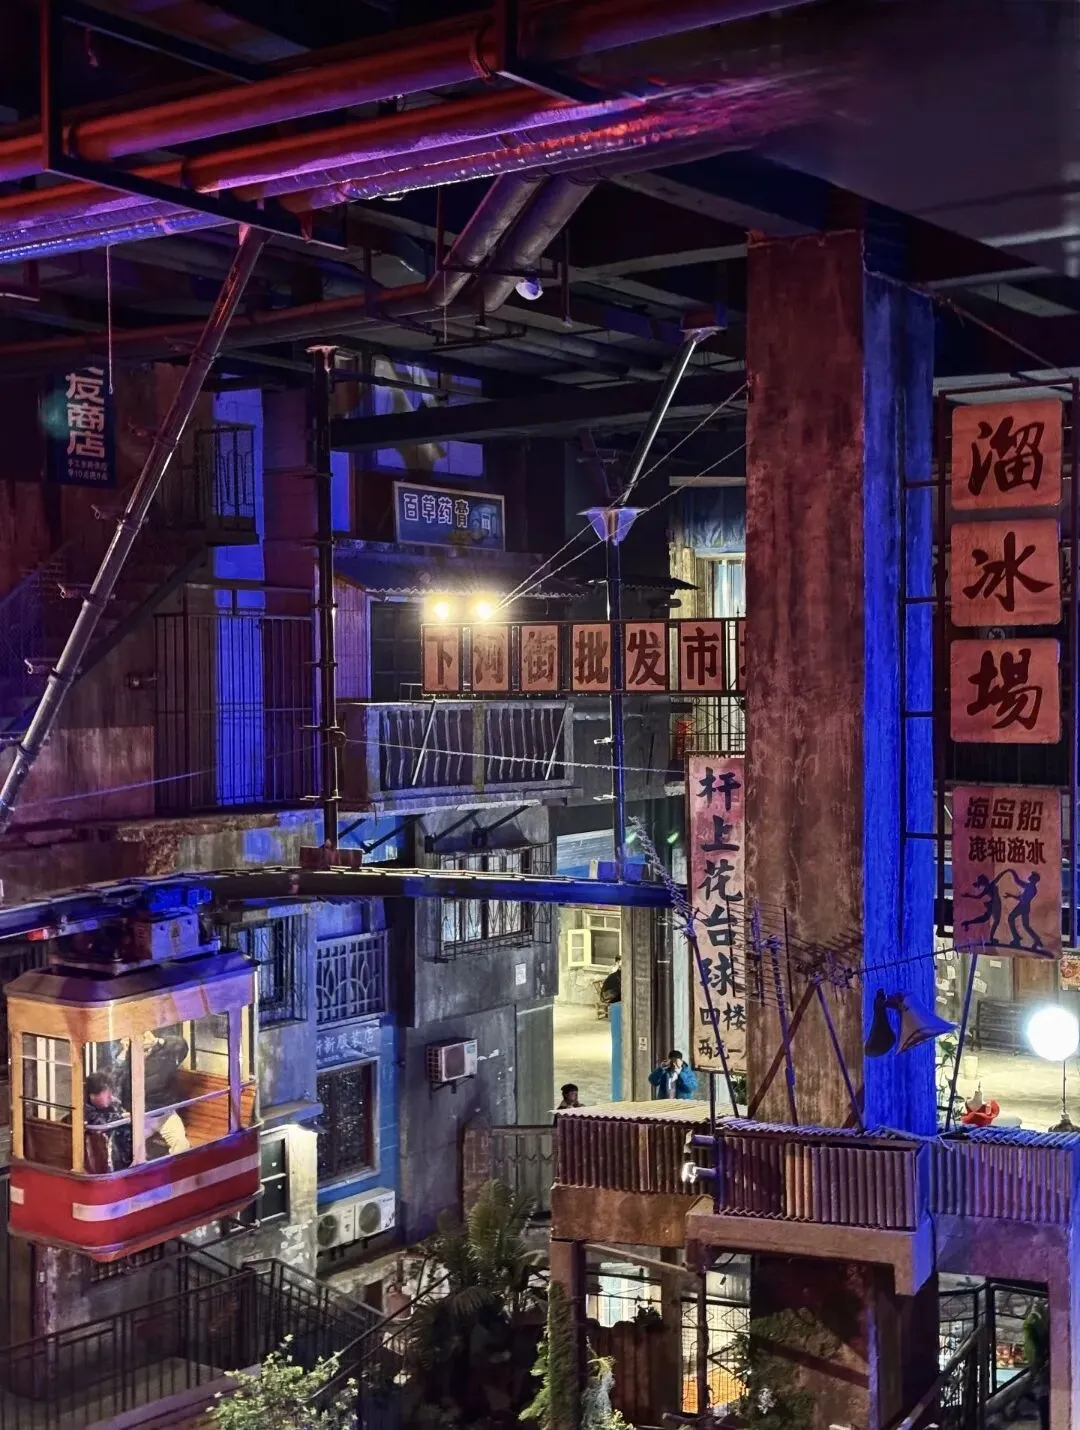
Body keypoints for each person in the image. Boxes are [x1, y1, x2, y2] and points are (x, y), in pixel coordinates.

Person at [84, 1072, 133, 1172]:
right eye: (107, 1095)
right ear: (94, 1095)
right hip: (100, 1159)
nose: (111, 1097)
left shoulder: (112, 1104)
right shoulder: (84, 1109)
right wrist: (121, 1117)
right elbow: (101, 1124)